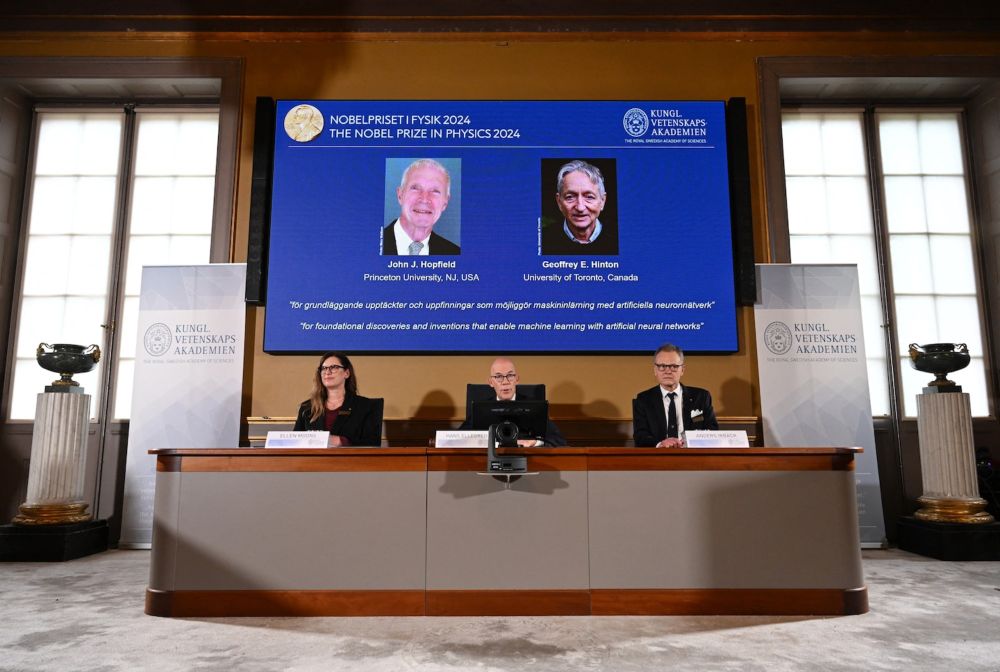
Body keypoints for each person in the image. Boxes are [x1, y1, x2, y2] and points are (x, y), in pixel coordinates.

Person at [459, 356, 567, 447]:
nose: (505, 382)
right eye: (499, 377)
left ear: (517, 379)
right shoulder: (480, 409)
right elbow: (459, 439)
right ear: (491, 382)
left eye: (510, 376)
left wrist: (535, 442)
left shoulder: (534, 408)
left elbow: (558, 440)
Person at [633, 343, 718, 448]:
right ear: (655, 370)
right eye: (662, 366)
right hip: (658, 457)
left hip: (693, 456)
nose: (668, 371)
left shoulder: (701, 397)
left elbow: (712, 430)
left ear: (682, 370)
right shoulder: (643, 400)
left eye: (674, 366)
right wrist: (660, 444)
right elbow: (640, 436)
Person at [293, 351, 382, 446]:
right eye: (324, 368)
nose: (327, 372)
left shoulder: (365, 406)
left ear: (346, 373)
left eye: (334, 367)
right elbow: (294, 444)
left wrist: (339, 441)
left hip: (351, 460)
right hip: (313, 460)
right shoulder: (307, 408)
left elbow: (373, 443)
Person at [382, 158, 460, 255]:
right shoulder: (370, 244)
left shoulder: (454, 253)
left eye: (435, 191)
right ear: (400, 195)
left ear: (445, 202)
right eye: (415, 188)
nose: (424, 199)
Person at [541, 159, 619, 255]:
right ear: (559, 202)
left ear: (602, 200)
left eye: (589, 197)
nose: (580, 208)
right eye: (570, 197)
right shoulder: (543, 241)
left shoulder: (619, 239)